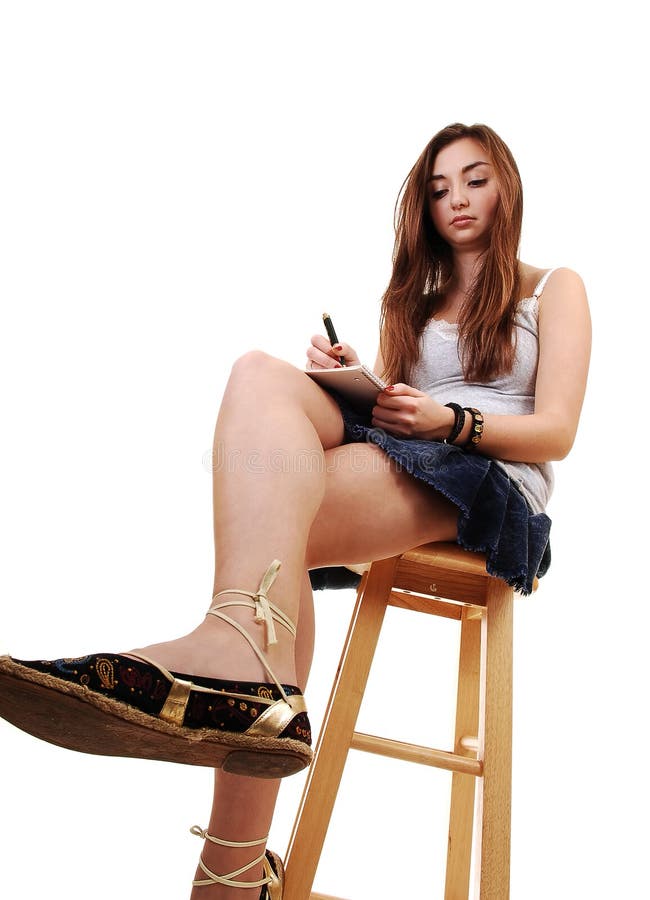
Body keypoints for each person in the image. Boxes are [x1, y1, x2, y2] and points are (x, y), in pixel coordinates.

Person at [0, 122, 591, 898]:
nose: (457, 200)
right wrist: (364, 381)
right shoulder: (413, 300)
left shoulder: (552, 287)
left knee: (273, 522)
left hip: (494, 486)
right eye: (439, 188)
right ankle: (241, 687)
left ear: (506, 184)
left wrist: (450, 421)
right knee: (259, 382)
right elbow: (394, 419)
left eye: (474, 179)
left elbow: (559, 432)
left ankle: (231, 847)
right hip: (413, 455)